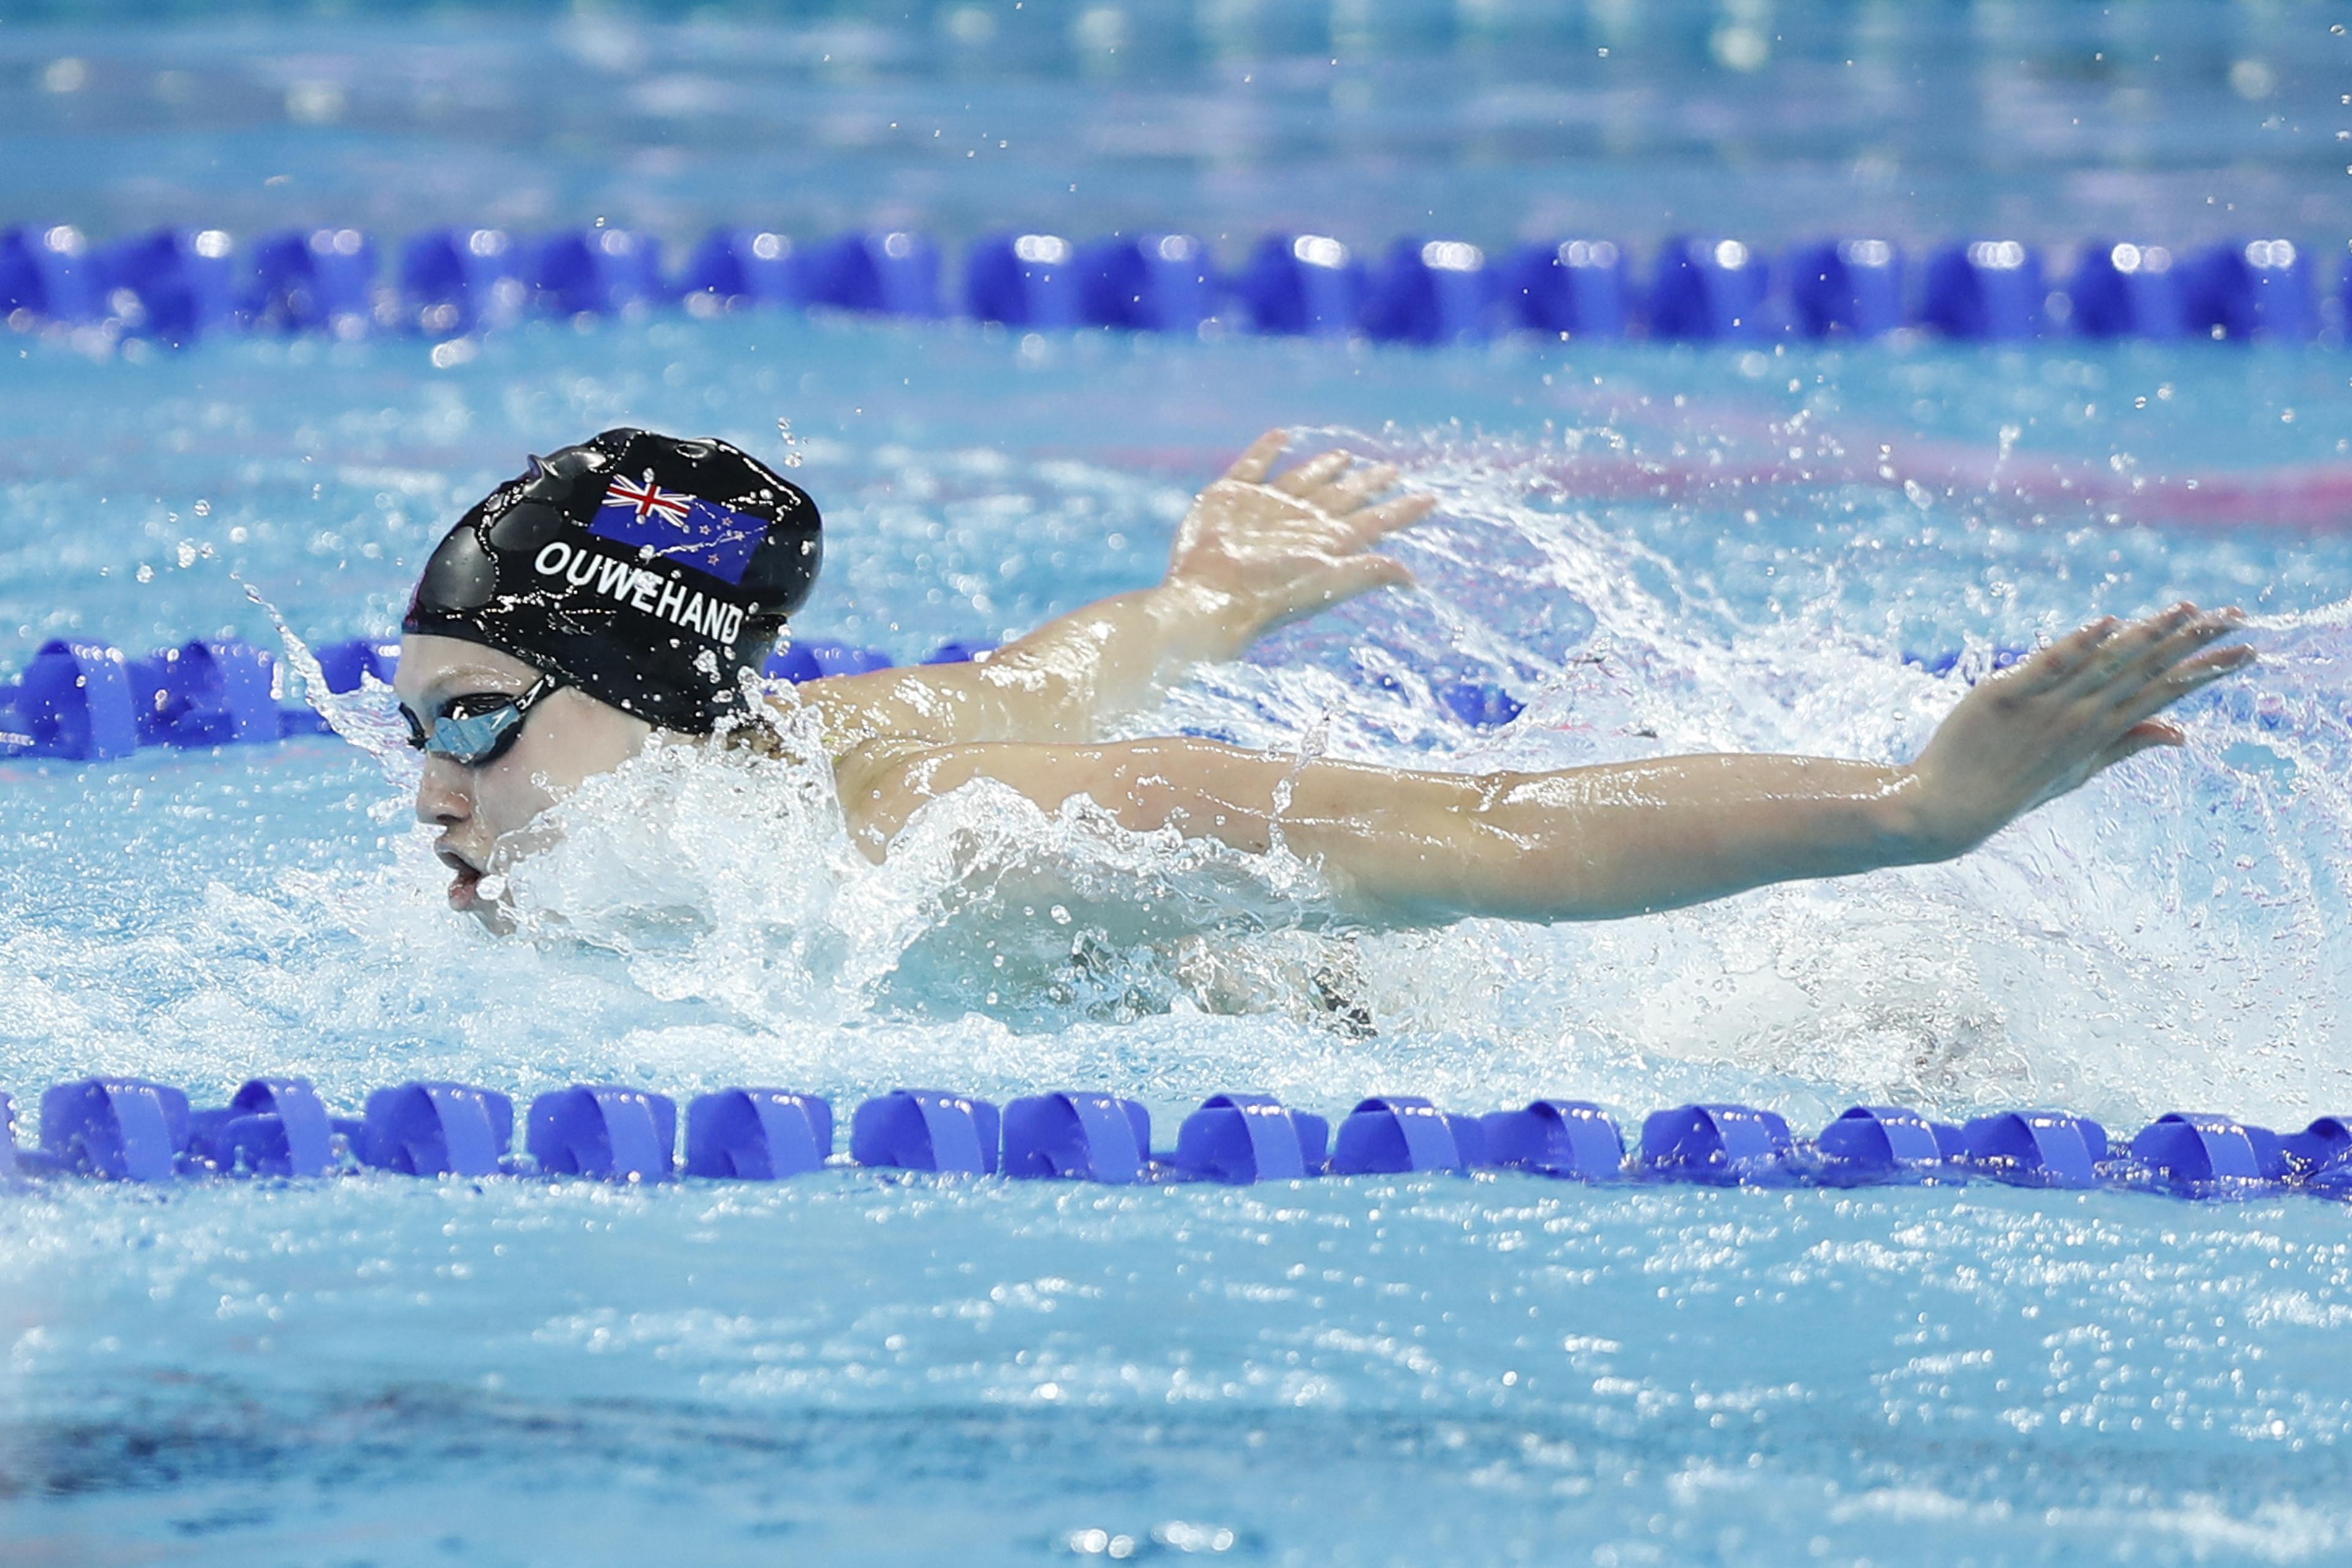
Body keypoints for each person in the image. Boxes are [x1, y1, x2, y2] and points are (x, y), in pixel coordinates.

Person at [396, 426, 2254, 934]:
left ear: (653, 702)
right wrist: (1201, 600)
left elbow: (1463, 830)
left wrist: (1915, 811)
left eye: (476, 719)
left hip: (1666, 1027)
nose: (428, 793)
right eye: (418, 725)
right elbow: (1052, 663)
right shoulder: (787, 750)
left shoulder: (965, 837)